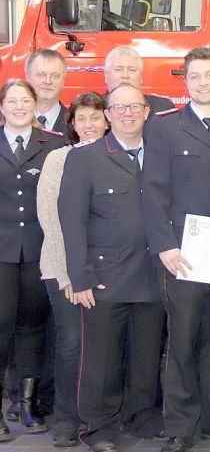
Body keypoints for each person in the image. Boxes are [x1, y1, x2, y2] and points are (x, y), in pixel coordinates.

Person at [142, 48, 210, 452]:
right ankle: (181, 426)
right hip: (184, 252)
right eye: (197, 77)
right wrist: (165, 247)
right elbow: (152, 192)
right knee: (183, 342)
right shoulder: (166, 128)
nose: (205, 83)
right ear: (185, 82)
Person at [59, 84, 166, 452]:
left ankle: (142, 416)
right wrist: (80, 275)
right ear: (107, 115)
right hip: (106, 277)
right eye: (118, 108)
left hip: (153, 273)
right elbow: (70, 222)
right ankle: (98, 427)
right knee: (101, 358)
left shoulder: (160, 154)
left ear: (147, 111)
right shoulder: (85, 158)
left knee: (147, 353)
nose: (127, 113)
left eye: (134, 107)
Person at [37, 91, 109, 447]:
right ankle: (67, 417)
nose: (89, 124)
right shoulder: (57, 159)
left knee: (102, 345)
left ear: (107, 119)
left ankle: (100, 416)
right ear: (73, 125)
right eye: (82, 119)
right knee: (72, 342)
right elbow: (51, 219)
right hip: (63, 268)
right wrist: (70, 275)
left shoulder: (118, 156)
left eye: (95, 117)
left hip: (106, 270)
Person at [0, 79, 65, 440]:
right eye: (12, 101)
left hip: (39, 250)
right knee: (1, 323)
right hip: (1, 249)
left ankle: (28, 404)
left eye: (25, 100)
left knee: (32, 326)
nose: (19, 106)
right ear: (2, 106)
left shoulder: (54, 144)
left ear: (34, 104)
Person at [104, 46, 176, 115]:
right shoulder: (95, 108)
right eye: (118, 69)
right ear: (106, 76)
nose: (125, 76)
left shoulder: (162, 108)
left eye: (131, 70)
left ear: (141, 77)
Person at [26, 49, 70, 134]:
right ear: (28, 78)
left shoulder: (75, 124)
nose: (48, 81)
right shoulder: (7, 121)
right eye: (41, 75)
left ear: (64, 80)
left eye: (55, 76)